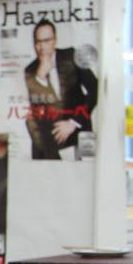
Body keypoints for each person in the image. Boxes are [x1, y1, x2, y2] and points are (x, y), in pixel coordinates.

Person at [21, 20, 98, 160]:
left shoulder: (72, 55)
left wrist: (73, 123)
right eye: (37, 42)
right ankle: (50, 171)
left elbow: (95, 90)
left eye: (46, 41)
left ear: (55, 41)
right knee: (32, 125)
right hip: (53, 132)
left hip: (78, 126)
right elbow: (37, 109)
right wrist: (40, 78)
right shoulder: (31, 70)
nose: (41, 47)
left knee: (85, 168)